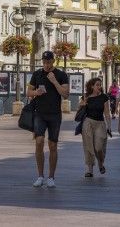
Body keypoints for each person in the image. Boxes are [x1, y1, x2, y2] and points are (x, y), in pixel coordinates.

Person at [27, 50, 70, 188]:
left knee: (53, 145)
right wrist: (36, 92)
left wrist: (54, 81)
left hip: (55, 114)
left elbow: (66, 94)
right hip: (40, 113)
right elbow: (28, 92)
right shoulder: (37, 74)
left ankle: (51, 177)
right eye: (44, 62)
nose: (46, 65)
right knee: (39, 141)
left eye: (48, 62)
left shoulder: (61, 75)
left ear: (53, 61)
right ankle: (40, 176)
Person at [78, 77, 111, 177]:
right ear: (92, 86)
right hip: (88, 122)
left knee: (99, 147)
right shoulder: (86, 96)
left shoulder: (104, 97)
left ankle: (101, 163)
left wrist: (109, 125)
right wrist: (83, 104)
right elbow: (79, 109)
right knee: (88, 145)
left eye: (100, 85)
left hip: (100, 123)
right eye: (97, 85)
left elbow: (107, 113)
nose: (99, 87)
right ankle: (89, 169)